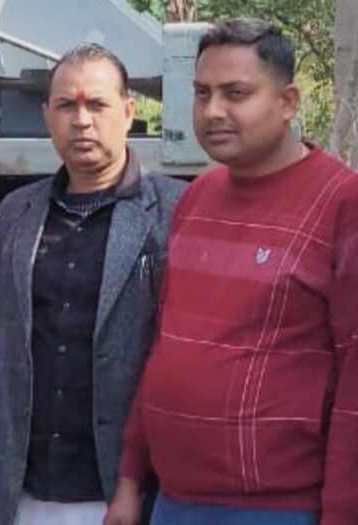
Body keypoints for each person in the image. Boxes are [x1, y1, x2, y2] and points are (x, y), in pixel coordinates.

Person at [107, 18, 358, 525]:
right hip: (173, 500)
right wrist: (131, 480)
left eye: (235, 93)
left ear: (287, 102)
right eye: (202, 93)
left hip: (280, 508)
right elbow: (165, 346)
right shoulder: (196, 198)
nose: (213, 111)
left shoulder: (341, 204)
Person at [0, 44, 185, 525]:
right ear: (46, 115)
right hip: (23, 486)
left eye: (97, 104)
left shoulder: (174, 210)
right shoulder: (19, 211)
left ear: (128, 112)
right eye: (66, 105)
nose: (81, 121)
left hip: (123, 490)